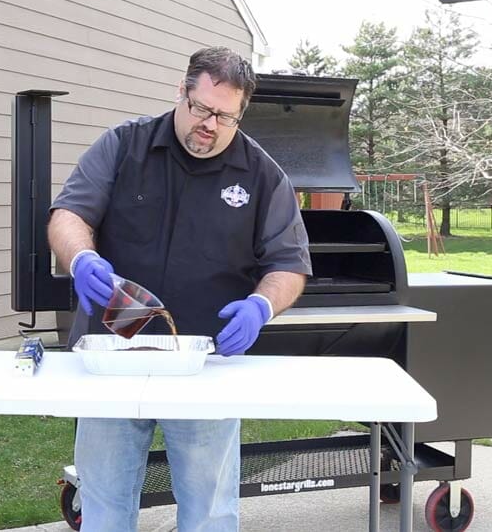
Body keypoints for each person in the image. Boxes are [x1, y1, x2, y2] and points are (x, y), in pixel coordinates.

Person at [48, 46, 311, 532]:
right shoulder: (123, 145)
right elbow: (70, 214)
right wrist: (81, 257)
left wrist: (261, 305)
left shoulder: (261, 173)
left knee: (210, 512)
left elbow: (289, 264)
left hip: (204, 363)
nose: (210, 125)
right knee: (104, 507)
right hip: (113, 357)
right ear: (181, 92)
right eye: (202, 109)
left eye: (226, 117)